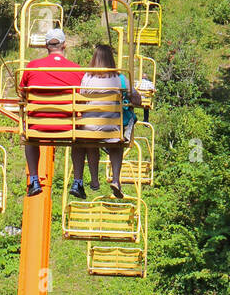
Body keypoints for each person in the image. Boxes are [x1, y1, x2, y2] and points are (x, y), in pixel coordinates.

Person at [70, 44, 141, 200]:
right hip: (111, 129)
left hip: (89, 128)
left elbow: (81, 102)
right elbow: (137, 100)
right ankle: (116, 178)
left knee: (89, 140)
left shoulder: (87, 78)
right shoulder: (120, 78)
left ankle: (94, 180)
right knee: (117, 144)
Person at [18, 28, 84, 196]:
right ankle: (77, 181)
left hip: (38, 126)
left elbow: (22, 92)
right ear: (64, 45)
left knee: (30, 136)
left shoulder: (33, 66)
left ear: (46, 46)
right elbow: (83, 97)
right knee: (80, 137)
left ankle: (34, 179)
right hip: (68, 127)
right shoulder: (76, 70)